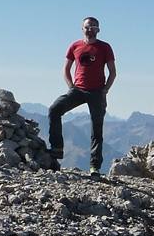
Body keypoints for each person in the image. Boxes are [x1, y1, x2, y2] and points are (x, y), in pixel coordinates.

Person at [48, 17, 116, 177]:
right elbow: (66, 69)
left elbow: (113, 72)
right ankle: (56, 149)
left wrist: (105, 90)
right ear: (82, 29)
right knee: (54, 110)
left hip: (97, 92)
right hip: (77, 90)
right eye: (87, 26)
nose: (90, 29)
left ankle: (95, 167)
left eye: (93, 27)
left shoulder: (105, 47)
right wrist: (71, 86)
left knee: (96, 129)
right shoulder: (75, 46)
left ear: (98, 30)